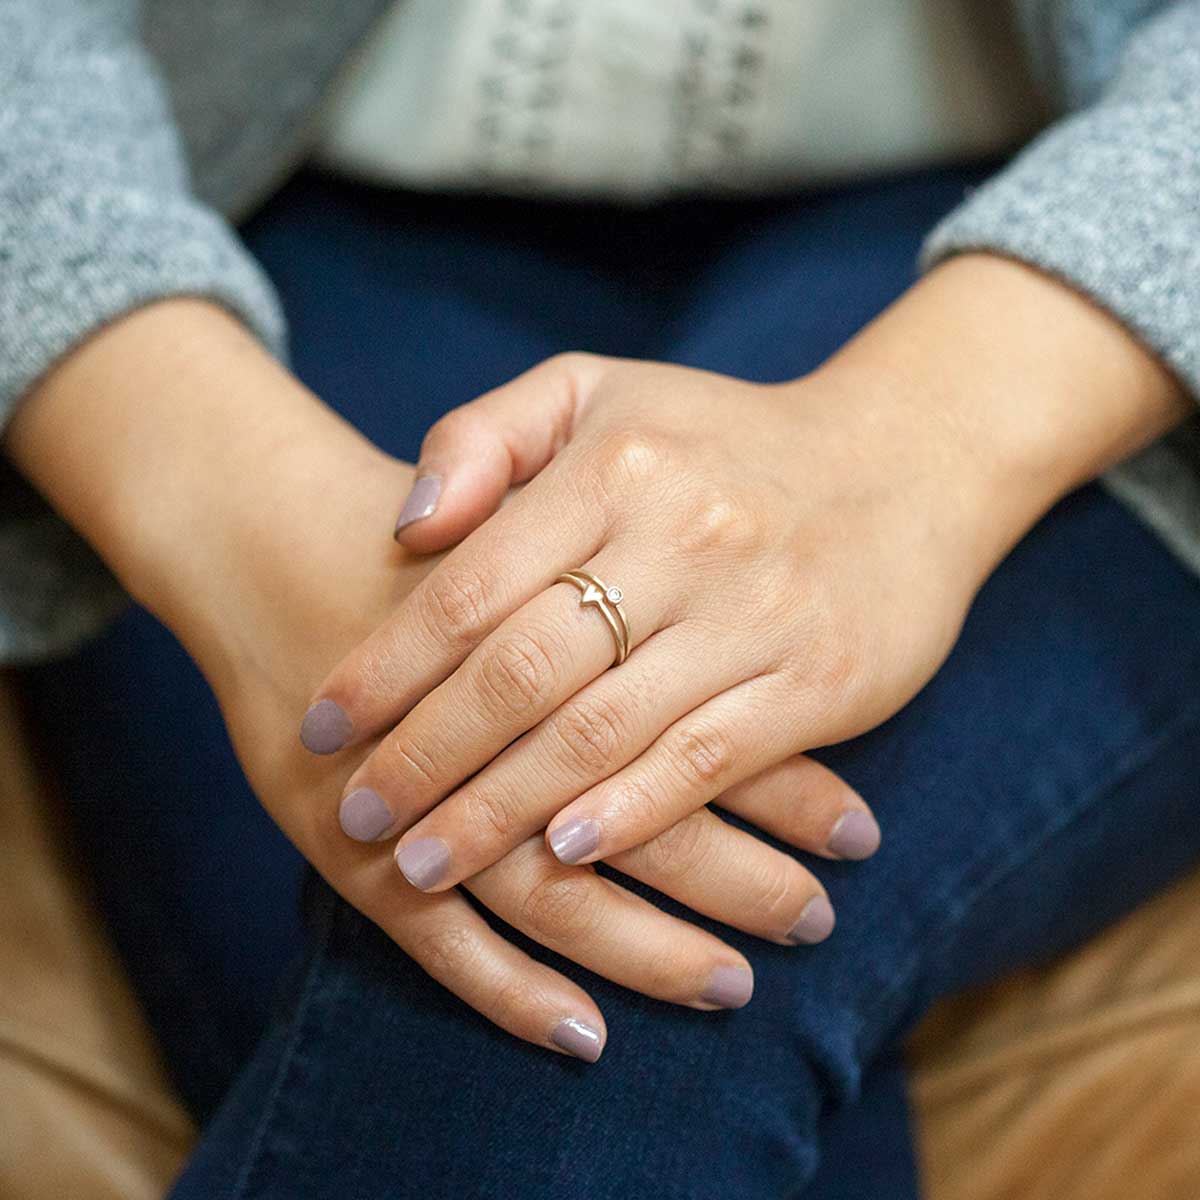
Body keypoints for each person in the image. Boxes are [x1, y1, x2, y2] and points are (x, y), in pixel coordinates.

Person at [4, 3, 1200, 1196]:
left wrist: (931, 423)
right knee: (500, 862)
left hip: (1057, 227)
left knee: (609, 896)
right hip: (251, 206)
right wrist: (207, 474)